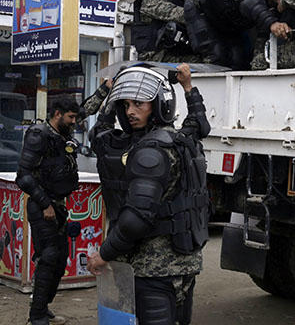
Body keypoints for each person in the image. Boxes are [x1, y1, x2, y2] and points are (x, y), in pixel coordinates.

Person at [87, 64, 210, 325]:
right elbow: (200, 123)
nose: (130, 111)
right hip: (186, 264)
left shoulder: (149, 152)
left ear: (158, 105)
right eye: (126, 105)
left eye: (139, 104)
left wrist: (103, 255)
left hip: (152, 270)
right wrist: (189, 88)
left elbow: (135, 221)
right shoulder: (182, 140)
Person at [16, 84, 111, 325]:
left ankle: (42, 306)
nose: (75, 122)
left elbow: (85, 110)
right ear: (57, 114)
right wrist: (45, 204)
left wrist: (104, 90)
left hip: (59, 206)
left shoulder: (62, 132)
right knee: (48, 258)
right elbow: (24, 176)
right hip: (42, 207)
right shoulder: (39, 135)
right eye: (70, 117)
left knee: (59, 263)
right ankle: (36, 316)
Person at [184, 0, 295, 69]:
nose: (278, 1)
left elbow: (262, 37)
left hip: (227, 22)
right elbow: (248, 0)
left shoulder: (272, 6)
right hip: (201, 9)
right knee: (216, 56)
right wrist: (272, 23)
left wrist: (258, 65)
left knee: (238, 60)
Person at [131, 0, 206, 64]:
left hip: (173, 52)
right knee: (203, 63)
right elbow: (176, 14)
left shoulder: (179, 0)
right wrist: (206, 17)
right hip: (154, 57)